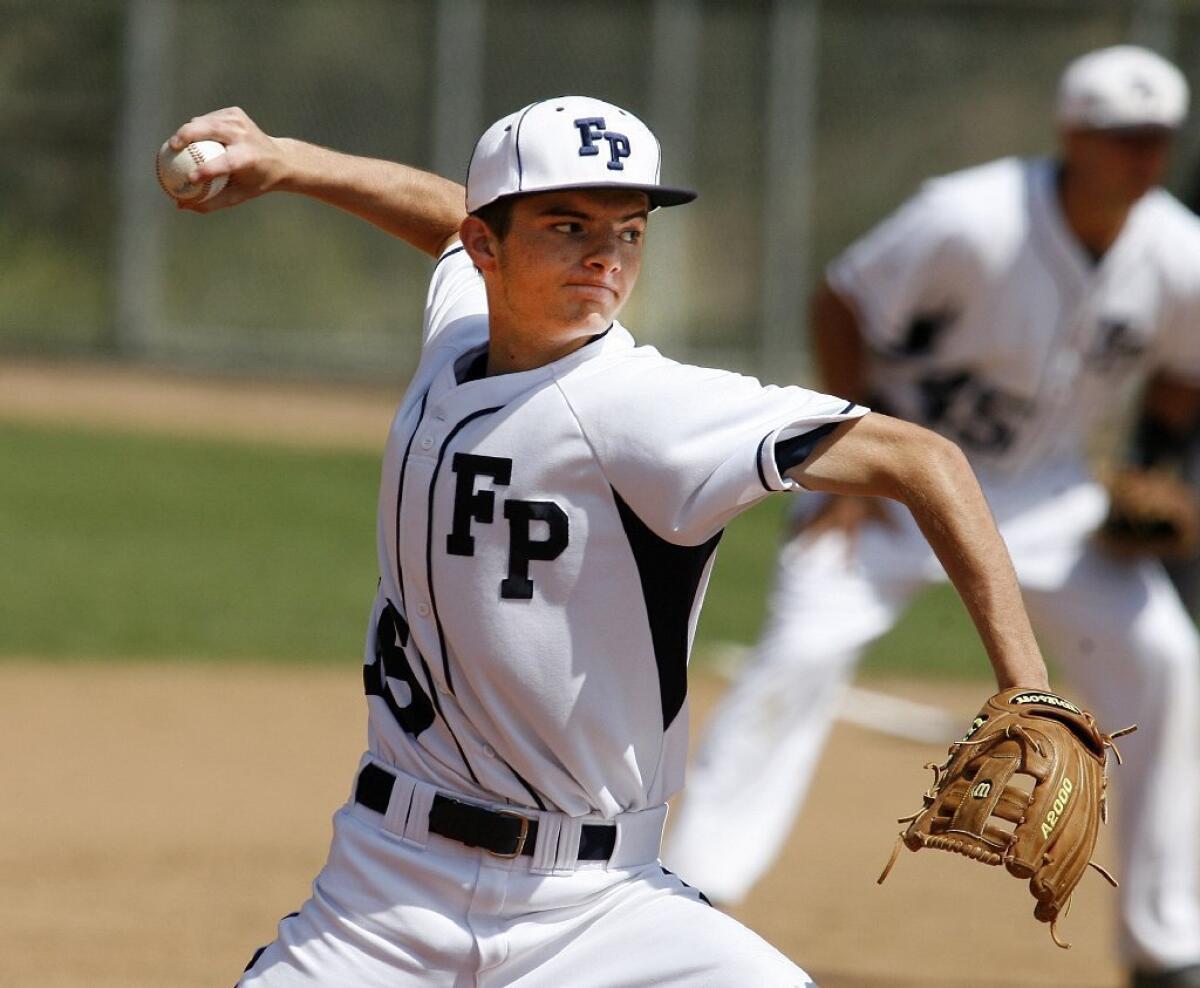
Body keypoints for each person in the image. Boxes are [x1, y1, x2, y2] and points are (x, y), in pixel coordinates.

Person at [169, 95, 1052, 987]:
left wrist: (1029, 686)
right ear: (486, 251)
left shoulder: (650, 410)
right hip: (382, 896)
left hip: (601, 911)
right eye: (567, 225)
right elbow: (446, 214)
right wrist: (286, 160)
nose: (603, 256)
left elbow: (923, 459)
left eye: (629, 232)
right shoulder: (457, 335)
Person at [663, 44, 1200, 988]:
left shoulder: (1177, 251)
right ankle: (693, 901)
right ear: (1072, 135)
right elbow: (842, 298)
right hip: (898, 493)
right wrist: (848, 459)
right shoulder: (970, 216)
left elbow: (1184, 370)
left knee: (1163, 660)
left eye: (1156, 140)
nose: (1141, 157)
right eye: (1122, 138)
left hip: (1054, 504)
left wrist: (1151, 470)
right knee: (797, 656)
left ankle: (1166, 945)